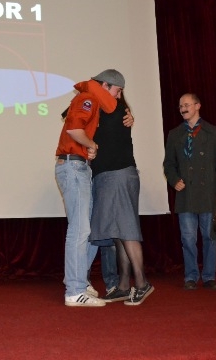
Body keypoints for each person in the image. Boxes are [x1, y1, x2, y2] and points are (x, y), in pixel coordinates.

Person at [55, 69, 121, 307]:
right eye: (117, 91)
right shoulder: (88, 98)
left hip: (78, 167)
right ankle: (74, 291)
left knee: (89, 230)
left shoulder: (90, 99)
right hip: (73, 168)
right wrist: (91, 144)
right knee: (80, 229)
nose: (118, 97)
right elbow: (74, 130)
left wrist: (88, 148)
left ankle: (78, 282)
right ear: (105, 85)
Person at [89, 85, 154, 306]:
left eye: (118, 91)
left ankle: (142, 283)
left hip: (118, 174)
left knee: (126, 230)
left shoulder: (116, 109)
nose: (117, 95)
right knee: (118, 233)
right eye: (114, 90)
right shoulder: (103, 110)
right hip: (111, 176)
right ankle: (124, 285)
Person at [163, 93, 216, 290]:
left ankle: (209, 276)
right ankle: (190, 276)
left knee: (209, 237)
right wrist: (174, 180)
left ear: (198, 106)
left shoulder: (213, 132)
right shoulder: (175, 134)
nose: (183, 108)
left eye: (187, 105)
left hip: (208, 193)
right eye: (180, 106)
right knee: (188, 239)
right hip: (185, 195)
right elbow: (168, 164)